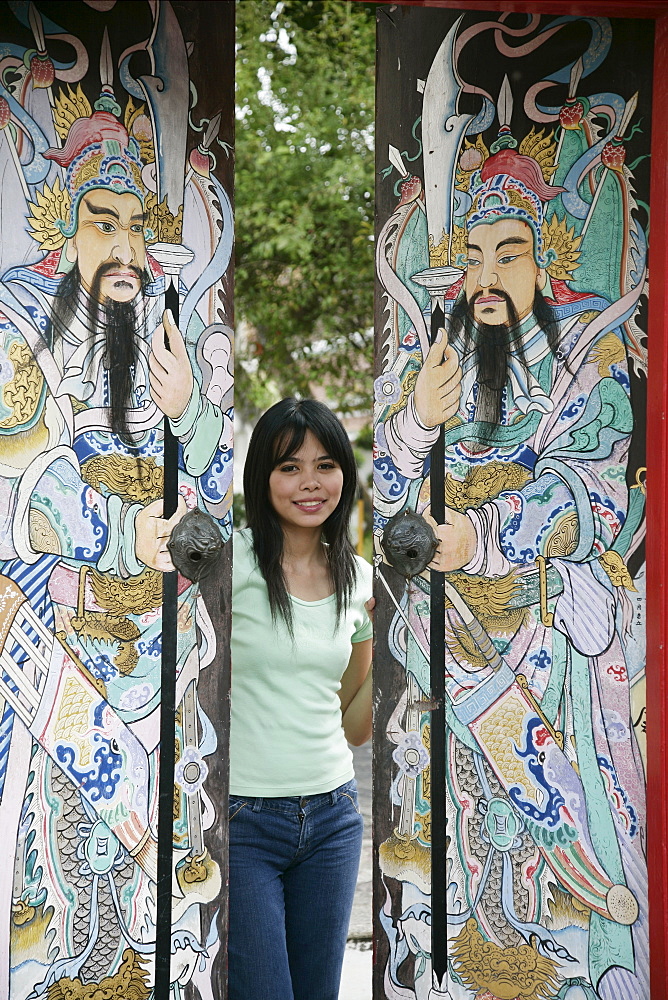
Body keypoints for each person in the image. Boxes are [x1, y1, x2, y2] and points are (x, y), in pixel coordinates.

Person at [376, 146, 648, 996]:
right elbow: (389, 500)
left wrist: (485, 537)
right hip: (450, 631)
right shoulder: (441, 366)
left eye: (509, 251)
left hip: (540, 627)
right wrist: (417, 423)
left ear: (544, 262)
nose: (487, 275)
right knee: (462, 816)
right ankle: (476, 951)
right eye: (473, 256)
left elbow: (591, 498)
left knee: (535, 809)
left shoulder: (587, 369)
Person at [0, 86, 230, 992]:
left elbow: (209, 513)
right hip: (54, 644)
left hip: (155, 653)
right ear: (68, 234)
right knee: (63, 863)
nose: (127, 248)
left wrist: (194, 419)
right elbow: (17, 488)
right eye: (105, 224)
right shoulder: (22, 337)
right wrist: (111, 534)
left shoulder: (169, 344)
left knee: (144, 870)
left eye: (141, 227)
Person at [228, 397, 373, 1000]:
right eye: (289, 467)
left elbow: (356, 722)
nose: (310, 483)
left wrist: (402, 660)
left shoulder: (361, 580)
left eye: (324, 465)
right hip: (242, 822)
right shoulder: (228, 562)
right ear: (262, 477)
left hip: (334, 820)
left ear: (345, 471)